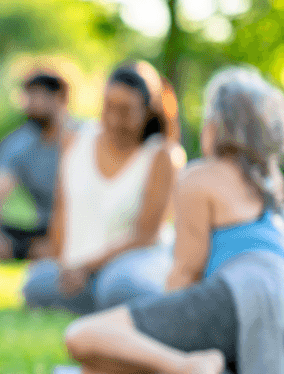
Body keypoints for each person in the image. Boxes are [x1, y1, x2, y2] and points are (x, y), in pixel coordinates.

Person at [64, 67, 284, 374]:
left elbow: (185, 273)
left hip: (232, 297)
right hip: (278, 333)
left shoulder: (201, 178)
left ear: (216, 126)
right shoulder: (272, 184)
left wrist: (159, 332)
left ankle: (188, 369)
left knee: (82, 337)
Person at [21, 65, 184, 314]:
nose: (114, 120)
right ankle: (107, 302)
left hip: (132, 263)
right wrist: (63, 263)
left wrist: (87, 267)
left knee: (119, 287)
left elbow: (146, 235)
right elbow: (62, 210)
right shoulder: (75, 140)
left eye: (126, 111)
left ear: (147, 111)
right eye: (109, 107)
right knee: (36, 283)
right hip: (77, 266)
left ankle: (114, 300)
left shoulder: (162, 155)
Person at [0, 70, 76, 261]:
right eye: (30, 95)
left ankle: (50, 251)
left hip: (83, 224)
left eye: (41, 96)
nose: (33, 103)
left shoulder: (87, 137)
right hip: (46, 228)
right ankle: (47, 251)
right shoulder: (17, 144)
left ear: (61, 99)